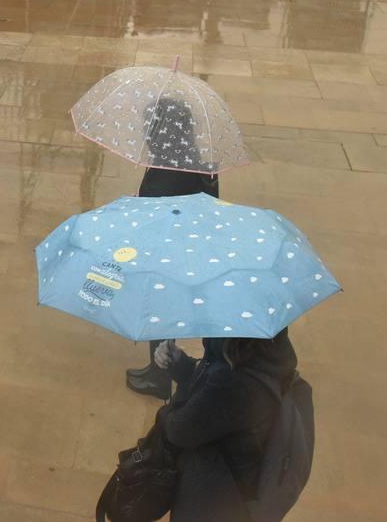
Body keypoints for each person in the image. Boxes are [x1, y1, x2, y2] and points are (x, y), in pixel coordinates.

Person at [126, 97, 220, 401]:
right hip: (183, 252)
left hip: (168, 255)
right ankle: (157, 369)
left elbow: (155, 216)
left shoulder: (168, 168)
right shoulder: (192, 160)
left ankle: (160, 375)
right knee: (160, 311)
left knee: (159, 311)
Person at [154, 330, 300, 522]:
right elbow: (209, 384)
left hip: (215, 498)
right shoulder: (263, 352)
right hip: (240, 485)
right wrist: (182, 365)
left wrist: (164, 414)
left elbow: (179, 430)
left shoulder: (235, 380)